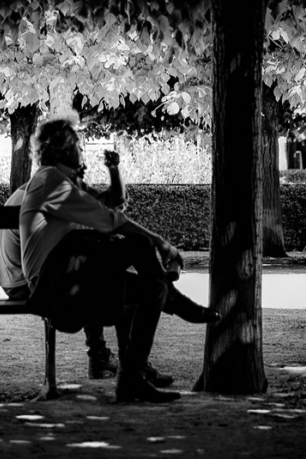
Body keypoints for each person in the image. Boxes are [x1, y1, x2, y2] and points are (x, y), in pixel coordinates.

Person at [19, 116, 219, 404]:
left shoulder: (64, 182)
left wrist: (114, 170)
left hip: (75, 276)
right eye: (77, 143)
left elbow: (111, 204)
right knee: (138, 244)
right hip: (53, 286)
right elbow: (112, 220)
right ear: (62, 149)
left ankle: (131, 379)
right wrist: (162, 243)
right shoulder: (50, 180)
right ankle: (179, 303)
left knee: (155, 290)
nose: (82, 149)